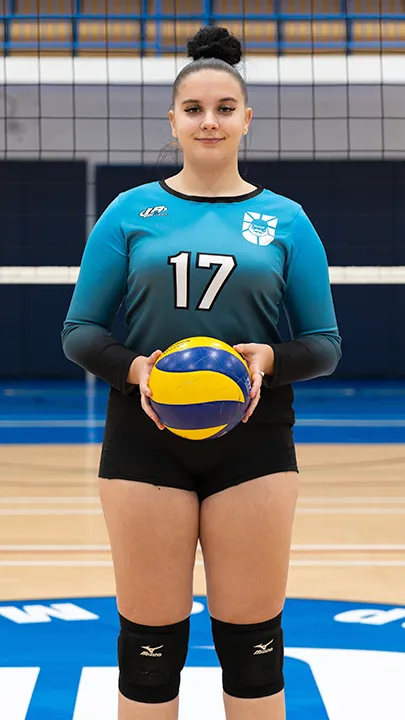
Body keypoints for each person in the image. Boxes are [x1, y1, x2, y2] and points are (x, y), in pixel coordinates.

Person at [62, 25, 341, 720]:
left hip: (253, 438)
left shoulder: (285, 220)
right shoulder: (131, 212)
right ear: (173, 121)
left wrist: (271, 358)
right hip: (145, 436)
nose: (209, 121)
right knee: (148, 654)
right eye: (194, 109)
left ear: (246, 118)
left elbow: (324, 343)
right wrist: (137, 371)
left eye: (223, 108)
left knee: (252, 651)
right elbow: (79, 332)